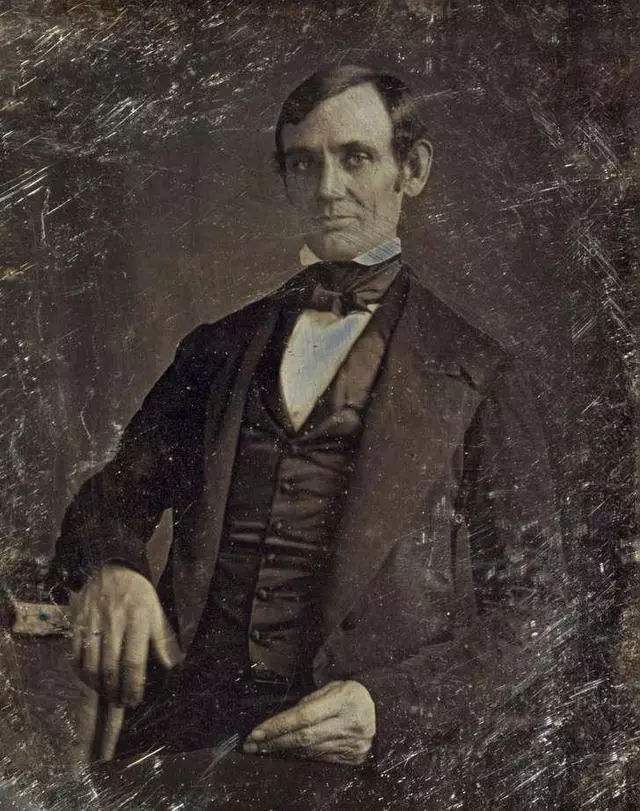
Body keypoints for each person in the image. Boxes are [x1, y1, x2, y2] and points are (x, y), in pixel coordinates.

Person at [52, 64, 569, 776]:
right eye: (304, 163)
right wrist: (112, 566)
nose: (327, 189)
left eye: (355, 157)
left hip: (362, 774)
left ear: (411, 170)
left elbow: (535, 616)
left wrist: (389, 709)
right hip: (188, 747)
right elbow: (108, 500)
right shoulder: (217, 349)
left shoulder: (480, 376)